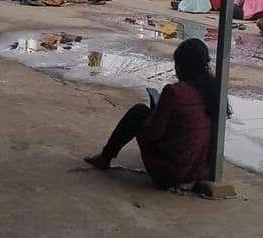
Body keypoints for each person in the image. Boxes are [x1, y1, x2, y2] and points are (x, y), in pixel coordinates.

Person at [84, 38, 216, 189]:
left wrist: (153, 116)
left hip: (171, 173)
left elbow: (154, 134)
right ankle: (105, 157)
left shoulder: (174, 92)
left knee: (139, 112)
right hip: (200, 172)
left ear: (181, 66)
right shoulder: (213, 90)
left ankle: (105, 157)